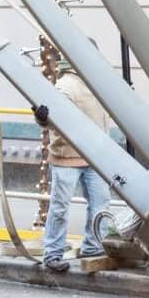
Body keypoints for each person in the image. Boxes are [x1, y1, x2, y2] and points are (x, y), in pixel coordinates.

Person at [34, 55, 116, 274]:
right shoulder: (83, 84)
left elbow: (48, 115)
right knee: (100, 204)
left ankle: (54, 253)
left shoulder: (67, 84)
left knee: (61, 206)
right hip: (90, 156)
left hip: (68, 155)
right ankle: (92, 247)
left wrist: (42, 118)